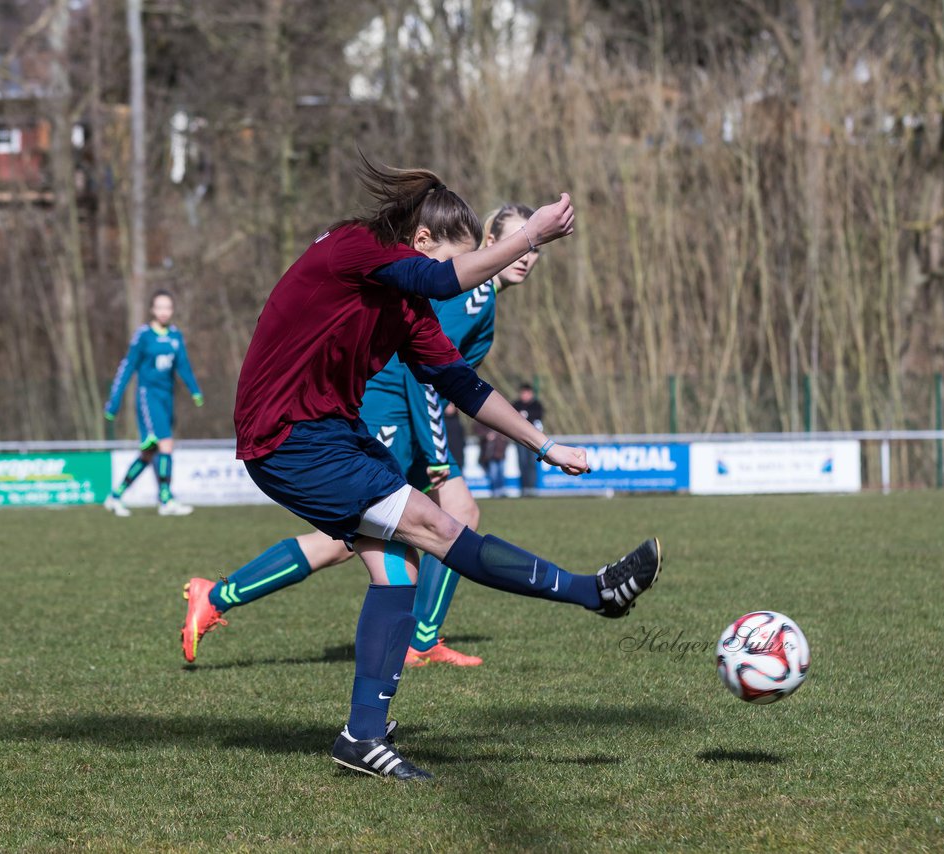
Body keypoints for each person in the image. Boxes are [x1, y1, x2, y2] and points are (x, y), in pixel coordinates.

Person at [219, 160, 662, 781]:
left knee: (396, 571)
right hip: (289, 435)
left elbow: (460, 383)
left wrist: (543, 445)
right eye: (442, 262)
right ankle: (594, 592)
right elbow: (447, 280)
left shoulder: (405, 306)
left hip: (330, 433)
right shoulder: (359, 246)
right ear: (419, 242)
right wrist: (528, 234)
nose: (439, 282)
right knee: (439, 525)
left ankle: (361, 738)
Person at [180, 204, 545, 669]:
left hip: (405, 418)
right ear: (490, 245)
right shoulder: (475, 297)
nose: (526, 257)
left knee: (349, 541)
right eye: (518, 244)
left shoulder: (482, 299)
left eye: (533, 249)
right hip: (394, 413)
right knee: (454, 514)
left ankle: (217, 596)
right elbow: (425, 374)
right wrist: (439, 458)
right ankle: (422, 639)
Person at [103, 290, 202, 517]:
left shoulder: (176, 336)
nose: (164, 311)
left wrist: (194, 390)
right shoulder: (143, 336)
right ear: (152, 310)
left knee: (149, 453)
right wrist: (114, 401)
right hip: (148, 398)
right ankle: (166, 499)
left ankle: (115, 495)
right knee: (166, 444)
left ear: (172, 310)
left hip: (167, 398)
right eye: (159, 307)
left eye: (168, 307)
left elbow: (183, 366)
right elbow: (127, 367)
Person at [512, 383, 545, 495]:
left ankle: (532, 488)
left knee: (532, 462)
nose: (524, 395)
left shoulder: (536, 405)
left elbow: (539, 417)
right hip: (520, 438)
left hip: (533, 439)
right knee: (522, 462)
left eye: (527, 393)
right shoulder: (516, 405)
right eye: (523, 393)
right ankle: (524, 488)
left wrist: (527, 415)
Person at [475, 420, 508, 496]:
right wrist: (486, 435)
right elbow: (477, 430)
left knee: (501, 473)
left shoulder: (502, 422)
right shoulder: (482, 421)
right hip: (490, 454)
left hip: (501, 453)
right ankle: (496, 491)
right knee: (494, 474)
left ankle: (501, 490)